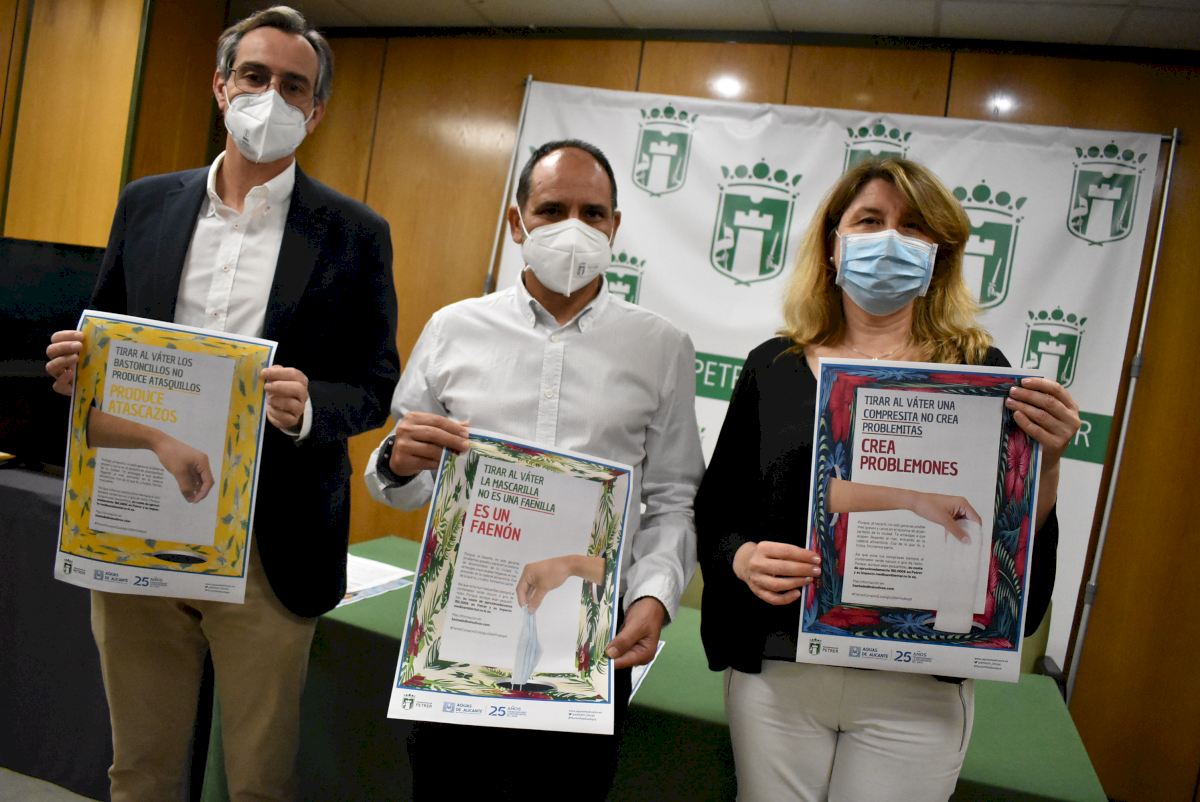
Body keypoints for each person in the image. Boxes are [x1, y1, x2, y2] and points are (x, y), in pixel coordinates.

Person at [43, 7, 398, 800]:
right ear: (220, 86)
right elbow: (105, 335)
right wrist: (77, 366)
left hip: (273, 546)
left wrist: (310, 406)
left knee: (257, 783)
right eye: (254, 76)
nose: (271, 96)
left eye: (294, 85)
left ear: (316, 110)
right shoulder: (146, 205)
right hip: (139, 523)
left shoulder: (355, 233)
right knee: (140, 771)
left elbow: (376, 385)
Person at [696, 157, 1079, 801]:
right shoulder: (772, 366)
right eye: (870, 221)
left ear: (939, 255)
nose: (890, 240)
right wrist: (741, 559)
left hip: (917, 684)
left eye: (914, 227)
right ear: (833, 244)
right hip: (782, 670)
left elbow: (1012, 545)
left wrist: (1051, 462)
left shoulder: (983, 375)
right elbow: (717, 512)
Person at [364, 138, 704, 800]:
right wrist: (397, 462)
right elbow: (403, 479)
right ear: (517, 223)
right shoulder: (453, 329)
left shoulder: (661, 347)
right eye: (551, 210)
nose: (574, 227)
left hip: (589, 641)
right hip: (461, 630)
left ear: (615, 226)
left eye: (592, 212)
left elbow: (672, 498)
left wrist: (655, 597)